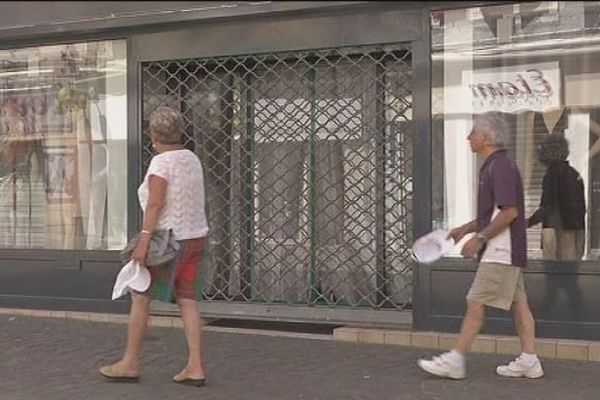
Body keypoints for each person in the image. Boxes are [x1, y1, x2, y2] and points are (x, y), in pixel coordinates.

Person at [417, 112, 544, 380]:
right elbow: (495, 213)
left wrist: (480, 239)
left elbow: (509, 213)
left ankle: (456, 359)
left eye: (473, 132)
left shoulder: (500, 167)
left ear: (486, 137)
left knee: (475, 301)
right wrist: (464, 230)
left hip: (500, 251)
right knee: (520, 305)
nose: (468, 137)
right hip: (505, 251)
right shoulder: (495, 166)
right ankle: (530, 360)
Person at [99, 105, 209, 386]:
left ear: (152, 135)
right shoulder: (192, 159)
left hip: (168, 240)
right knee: (187, 299)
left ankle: (130, 362)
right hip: (194, 236)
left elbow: (156, 203)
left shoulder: (162, 163)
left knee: (139, 294)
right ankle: (195, 366)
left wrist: (144, 239)